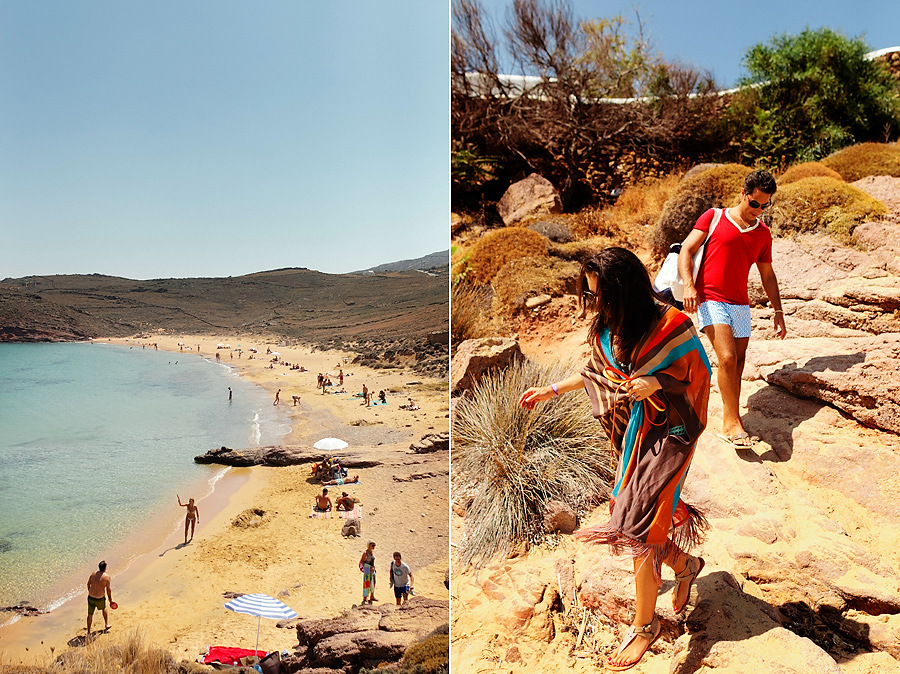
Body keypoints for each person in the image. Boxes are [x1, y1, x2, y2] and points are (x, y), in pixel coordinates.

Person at [519, 247, 711, 671]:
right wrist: (550, 391)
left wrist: (656, 382)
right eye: (591, 296)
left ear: (624, 291)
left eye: (601, 295)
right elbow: (596, 373)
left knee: (639, 520)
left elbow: (700, 375)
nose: (596, 305)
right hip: (632, 435)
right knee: (638, 515)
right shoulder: (609, 326)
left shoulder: (672, 324)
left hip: (671, 432)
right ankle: (686, 565)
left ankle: (645, 626)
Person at [679, 169, 786, 449]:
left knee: (737, 364)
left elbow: (768, 275)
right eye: (754, 204)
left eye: (765, 206)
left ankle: (732, 414)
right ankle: (731, 423)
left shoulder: (762, 234)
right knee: (726, 358)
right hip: (710, 298)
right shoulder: (714, 217)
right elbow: (686, 251)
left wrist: (778, 311)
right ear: (743, 194)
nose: (759, 211)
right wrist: (690, 287)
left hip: (740, 304)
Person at [86, 560, 113, 637]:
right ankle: (106, 624)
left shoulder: (93, 573)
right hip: (100, 598)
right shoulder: (107, 577)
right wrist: (110, 600)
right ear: (105, 568)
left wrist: (90, 592)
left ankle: (88, 632)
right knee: (104, 608)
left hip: (91, 597)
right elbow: (108, 590)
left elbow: (88, 584)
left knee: (90, 614)